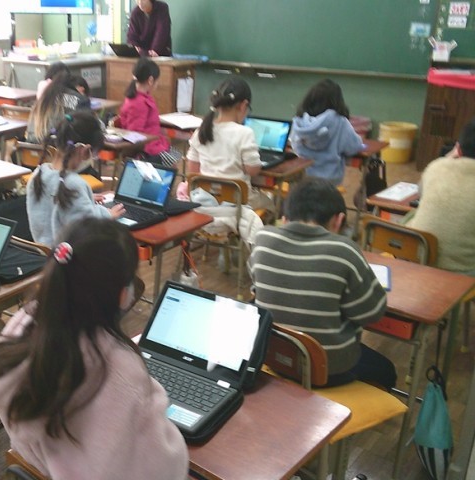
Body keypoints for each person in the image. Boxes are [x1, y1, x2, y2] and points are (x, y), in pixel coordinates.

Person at [0, 217, 188, 480]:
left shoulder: (23, 324)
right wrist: (151, 397)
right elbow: (165, 470)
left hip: (41, 465)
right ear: (122, 294)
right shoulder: (120, 371)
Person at [248, 177, 396, 390]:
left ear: (284, 219)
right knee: (386, 371)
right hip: (329, 370)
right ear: (338, 220)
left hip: (273, 357)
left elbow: (257, 289)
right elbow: (371, 313)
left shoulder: (262, 241)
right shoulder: (344, 251)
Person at [26, 111, 124, 248]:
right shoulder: (73, 185)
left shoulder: (39, 173)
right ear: (84, 150)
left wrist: (85, 198)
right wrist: (108, 214)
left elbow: (54, 201)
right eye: (94, 153)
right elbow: (88, 226)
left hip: (46, 253)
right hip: (70, 257)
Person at [186, 76, 267, 210]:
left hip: (205, 203)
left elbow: (193, 169)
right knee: (270, 205)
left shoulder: (202, 131)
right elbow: (252, 170)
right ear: (243, 105)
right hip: (237, 204)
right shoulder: (245, 133)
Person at [407, 117, 475, 275]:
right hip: (464, 273)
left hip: (416, 259)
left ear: (458, 149)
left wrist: (448, 157)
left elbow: (420, 192)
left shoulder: (436, 167)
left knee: (411, 216)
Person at [289, 79, 363, 186]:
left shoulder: (299, 120)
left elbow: (294, 144)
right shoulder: (340, 122)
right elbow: (353, 147)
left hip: (302, 176)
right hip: (330, 179)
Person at [117, 58, 181, 167]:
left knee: (176, 157)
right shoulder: (138, 103)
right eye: (157, 80)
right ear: (150, 80)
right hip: (146, 149)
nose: (157, 83)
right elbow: (135, 134)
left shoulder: (142, 97)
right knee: (173, 165)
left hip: (154, 142)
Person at [26, 71, 91, 145]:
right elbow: (87, 131)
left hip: (32, 147)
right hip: (60, 149)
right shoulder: (80, 100)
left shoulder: (43, 99)